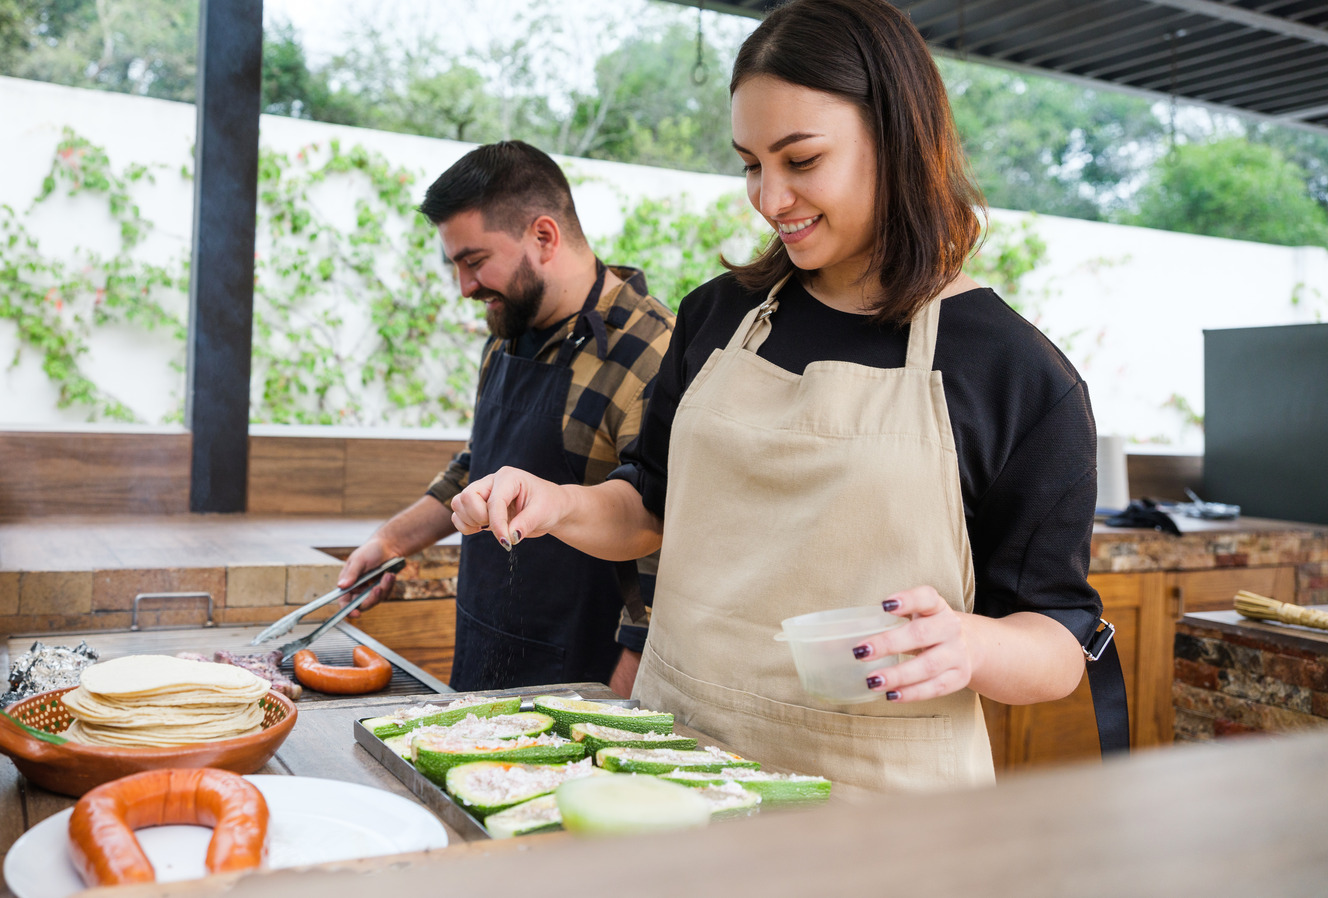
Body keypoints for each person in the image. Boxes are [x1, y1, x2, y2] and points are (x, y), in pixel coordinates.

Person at [449, 0, 1112, 793]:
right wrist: (557, 504)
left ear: (897, 140)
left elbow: (1057, 641)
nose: (769, 198)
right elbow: (651, 509)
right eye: (751, 164)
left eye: (800, 161)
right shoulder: (717, 317)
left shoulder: (1017, 375)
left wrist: (970, 646)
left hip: (881, 811)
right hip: (675, 763)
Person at [337, 140, 675, 694]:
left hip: (580, 683)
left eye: (474, 261)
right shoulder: (510, 332)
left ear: (543, 236)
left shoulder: (653, 350)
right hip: (481, 652)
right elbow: (480, 467)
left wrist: (614, 712)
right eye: (456, 266)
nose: (465, 288)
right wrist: (391, 543)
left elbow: (665, 561)